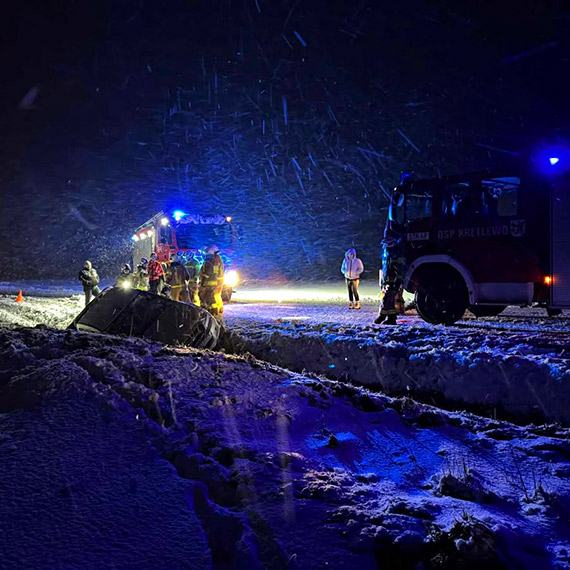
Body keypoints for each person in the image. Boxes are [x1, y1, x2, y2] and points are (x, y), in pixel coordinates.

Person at [199, 245, 224, 319]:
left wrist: (203, 280)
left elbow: (208, 272)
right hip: (216, 280)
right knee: (214, 295)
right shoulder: (216, 259)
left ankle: (214, 310)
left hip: (213, 280)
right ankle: (216, 310)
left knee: (213, 296)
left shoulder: (211, 260)